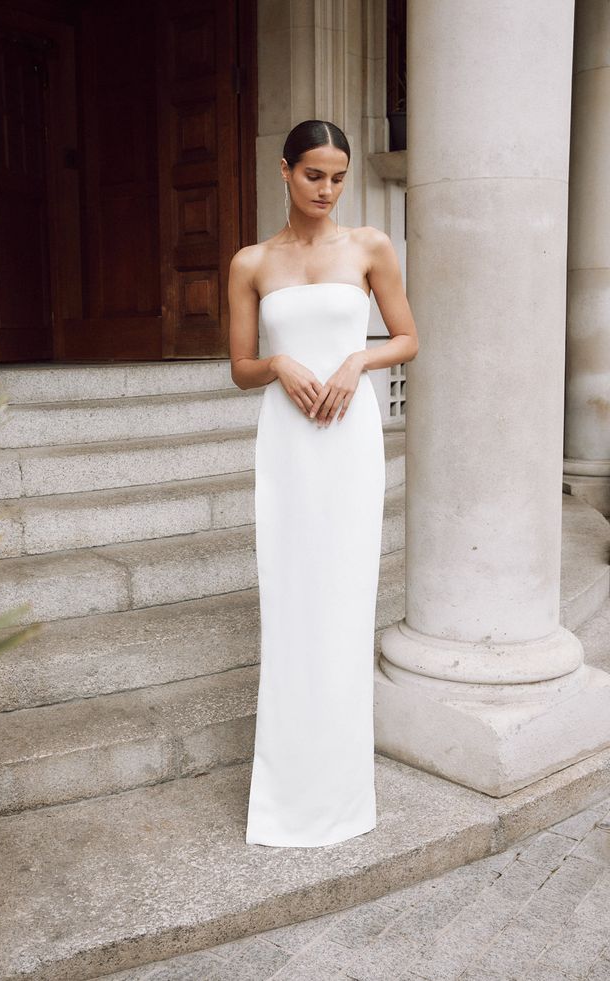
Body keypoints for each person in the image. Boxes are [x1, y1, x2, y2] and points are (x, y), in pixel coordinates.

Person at [228, 119, 419, 848]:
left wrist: (355, 362)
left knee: (342, 599)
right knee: (290, 599)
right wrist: (279, 365)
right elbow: (241, 367)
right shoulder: (252, 261)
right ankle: (284, 801)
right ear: (284, 171)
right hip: (286, 442)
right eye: (314, 174)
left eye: (338, 175)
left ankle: (342, 797)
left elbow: (407, 335)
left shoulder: (369, 246)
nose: (328, 189)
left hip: (347, 438)